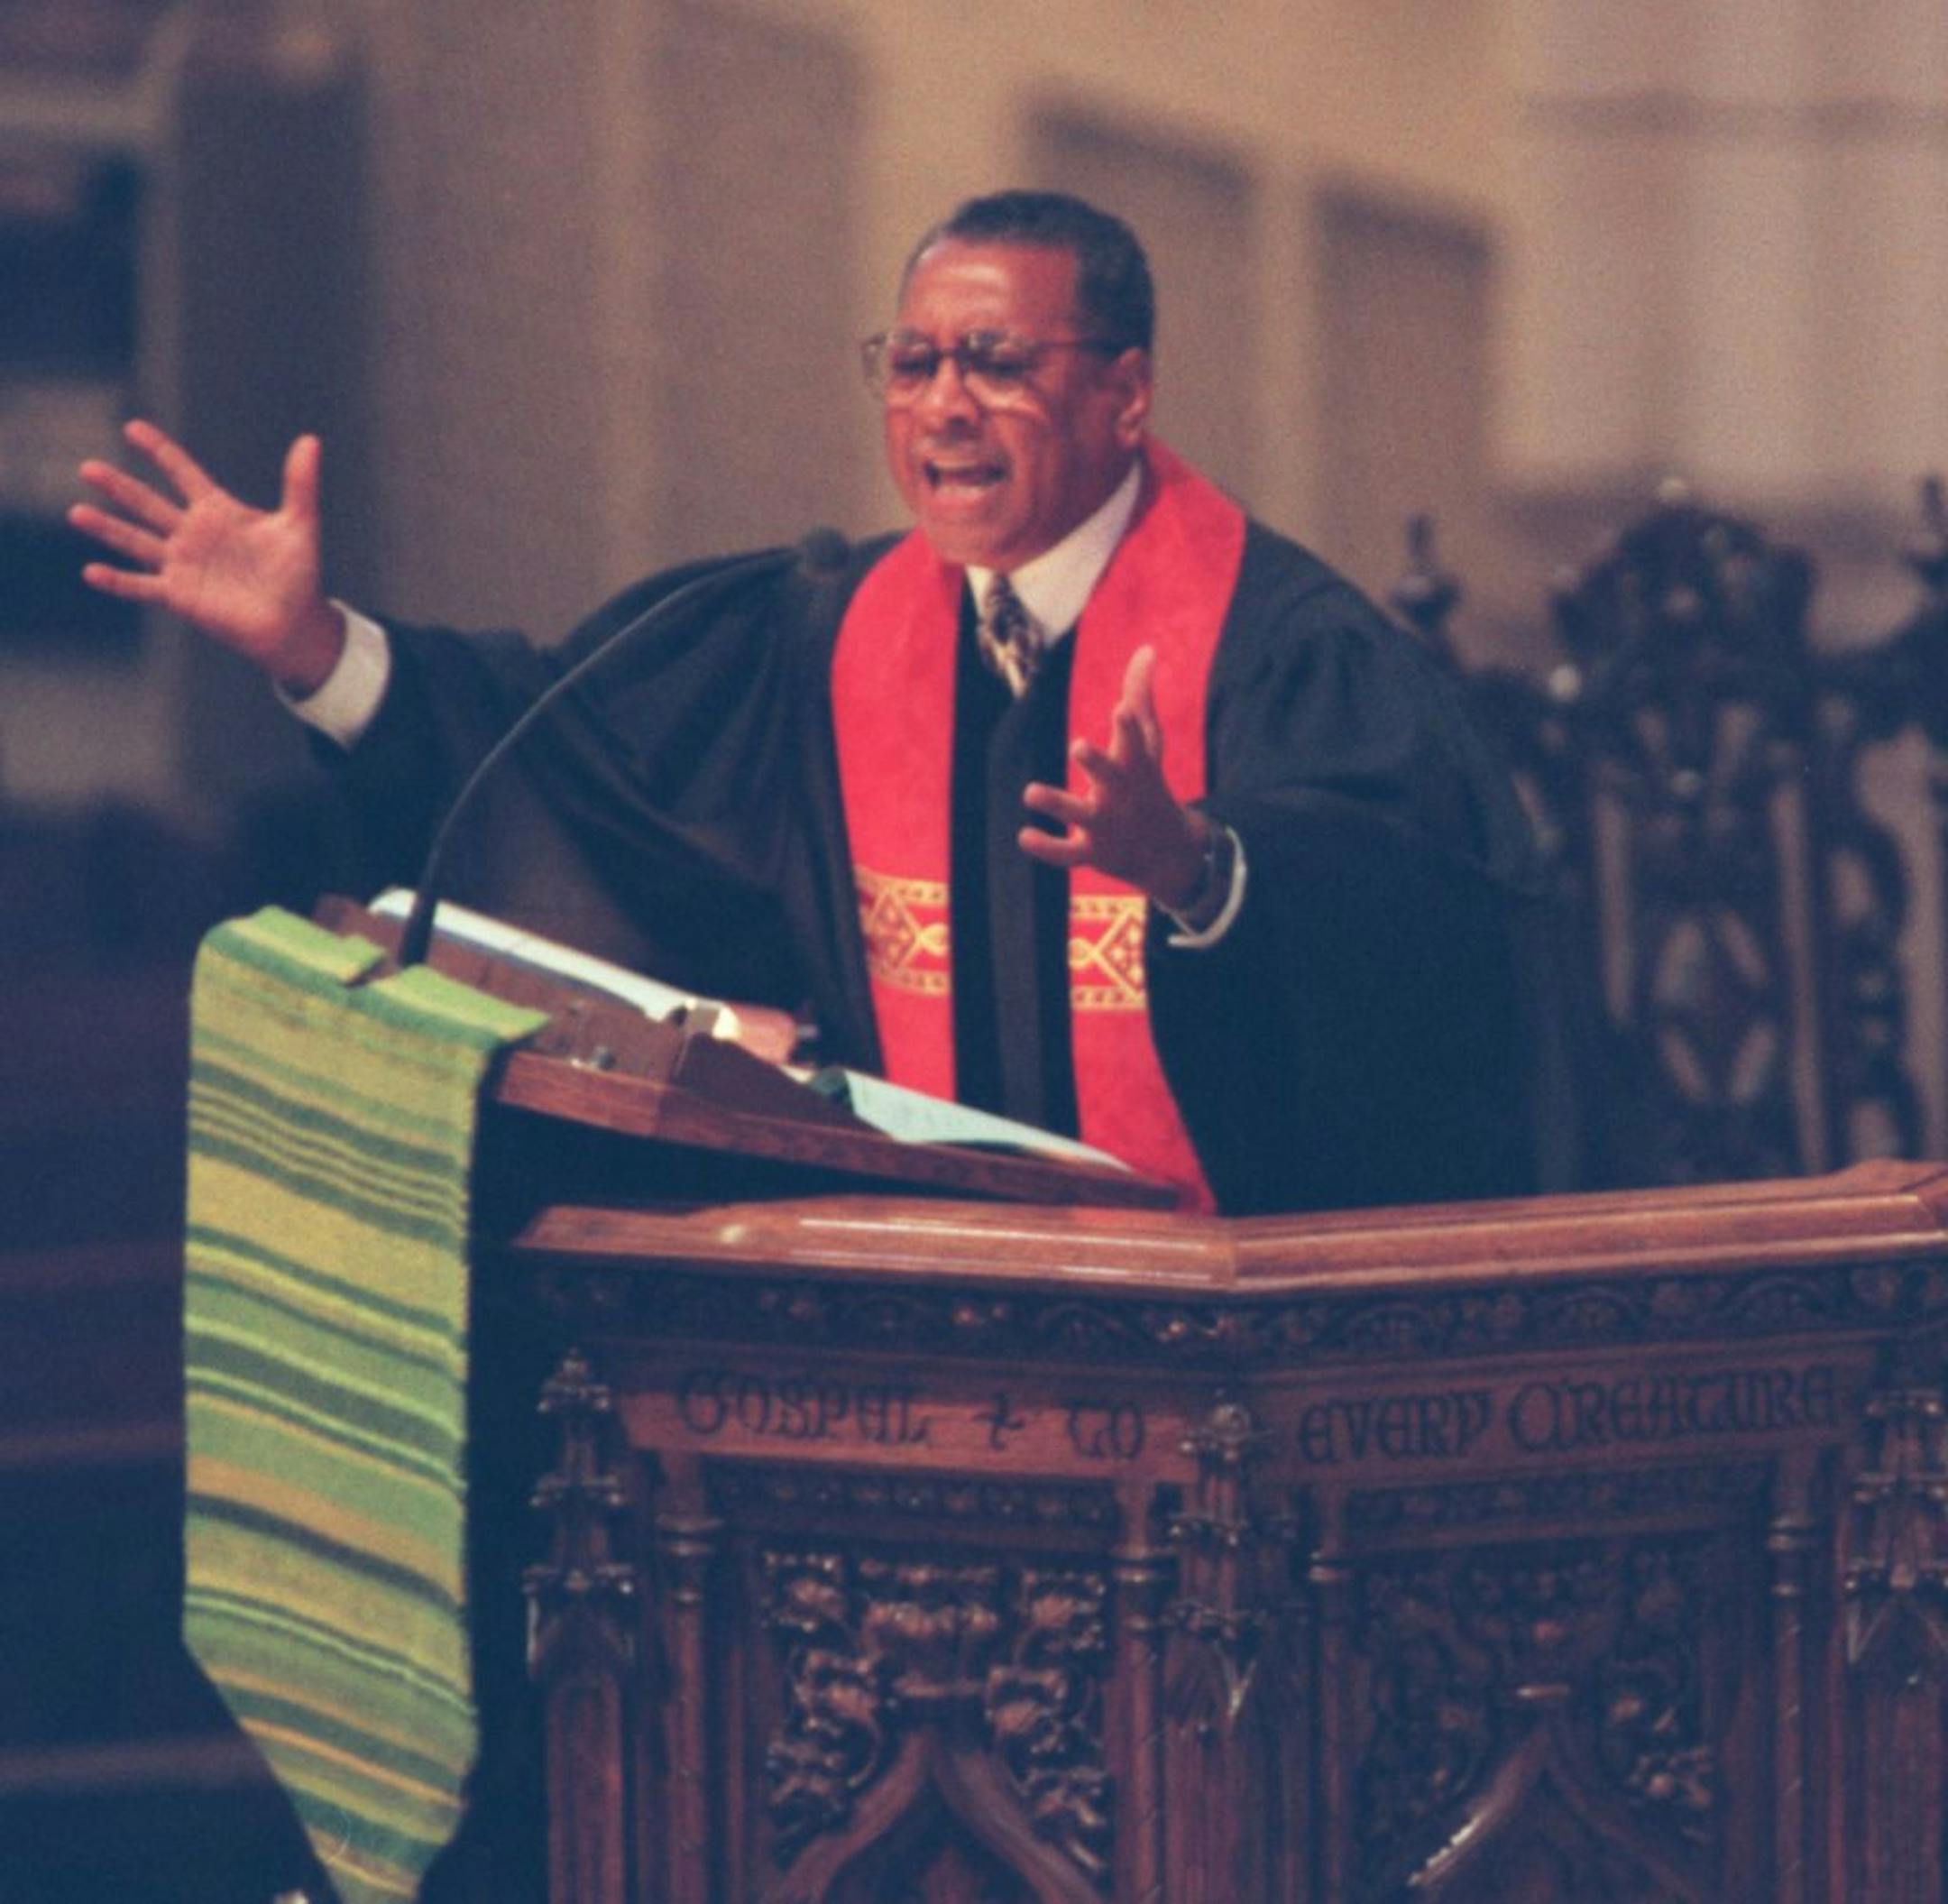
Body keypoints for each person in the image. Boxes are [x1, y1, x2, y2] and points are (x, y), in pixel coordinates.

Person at [72, 189, 1544, 1215]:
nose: (944, 404)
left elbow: (1436, 961)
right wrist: (318, 648)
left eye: (998, 364)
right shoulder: (822, 633)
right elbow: (573, 764)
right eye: (914, 364)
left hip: (1210, 1368)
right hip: (892, 1317)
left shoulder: (1283, 651)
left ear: (1128, 396)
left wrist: (1205, 872)